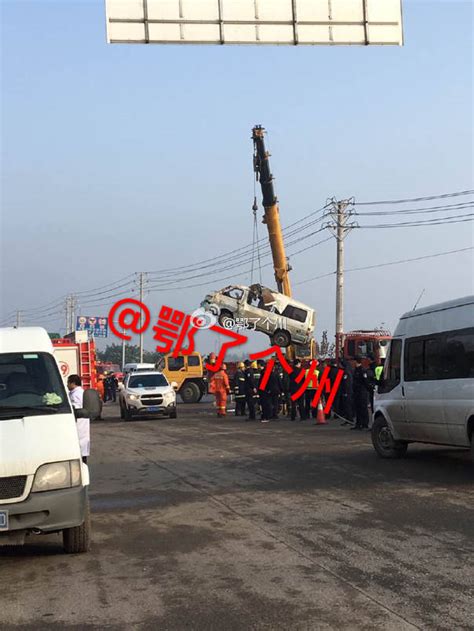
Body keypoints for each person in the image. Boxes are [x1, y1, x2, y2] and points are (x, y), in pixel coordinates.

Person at [67, 374, 90, 463]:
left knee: (79, 447)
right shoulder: (78, 393)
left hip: (79, 424)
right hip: (80, 424)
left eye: (68, 383)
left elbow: (75, 408)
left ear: (73, 383)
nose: (67, 385)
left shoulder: (76, 395)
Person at [352, 355, 373, 430]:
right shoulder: (356, 370)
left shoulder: (362, 370)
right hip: (357, 392)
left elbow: (365, 382)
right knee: (357, 408)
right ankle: (358, 424)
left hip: (362, 392)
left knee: (363, 408)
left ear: (356, 361)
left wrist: (368, 390)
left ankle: (365, 424)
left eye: (353, 361)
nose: (352, 362)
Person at [337, 358, 354, 425]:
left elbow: (346, 383)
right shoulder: (348, 370)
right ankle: (348, 419)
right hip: (347, 391)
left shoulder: (346, 372)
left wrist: (346, 392)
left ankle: (349, 419)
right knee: (347, 406)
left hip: (347, 392)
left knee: (348, 406)